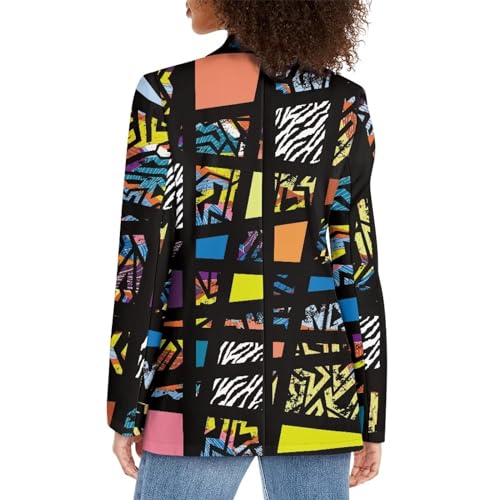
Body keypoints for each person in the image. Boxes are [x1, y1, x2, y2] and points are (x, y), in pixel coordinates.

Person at [106, 1, 388, 498]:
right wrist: (372, 410)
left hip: (193, 382)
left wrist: (126, 406)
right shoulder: (344, 101)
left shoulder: (166, 93)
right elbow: (357, 265)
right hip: (314, 384)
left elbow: (142, 263)